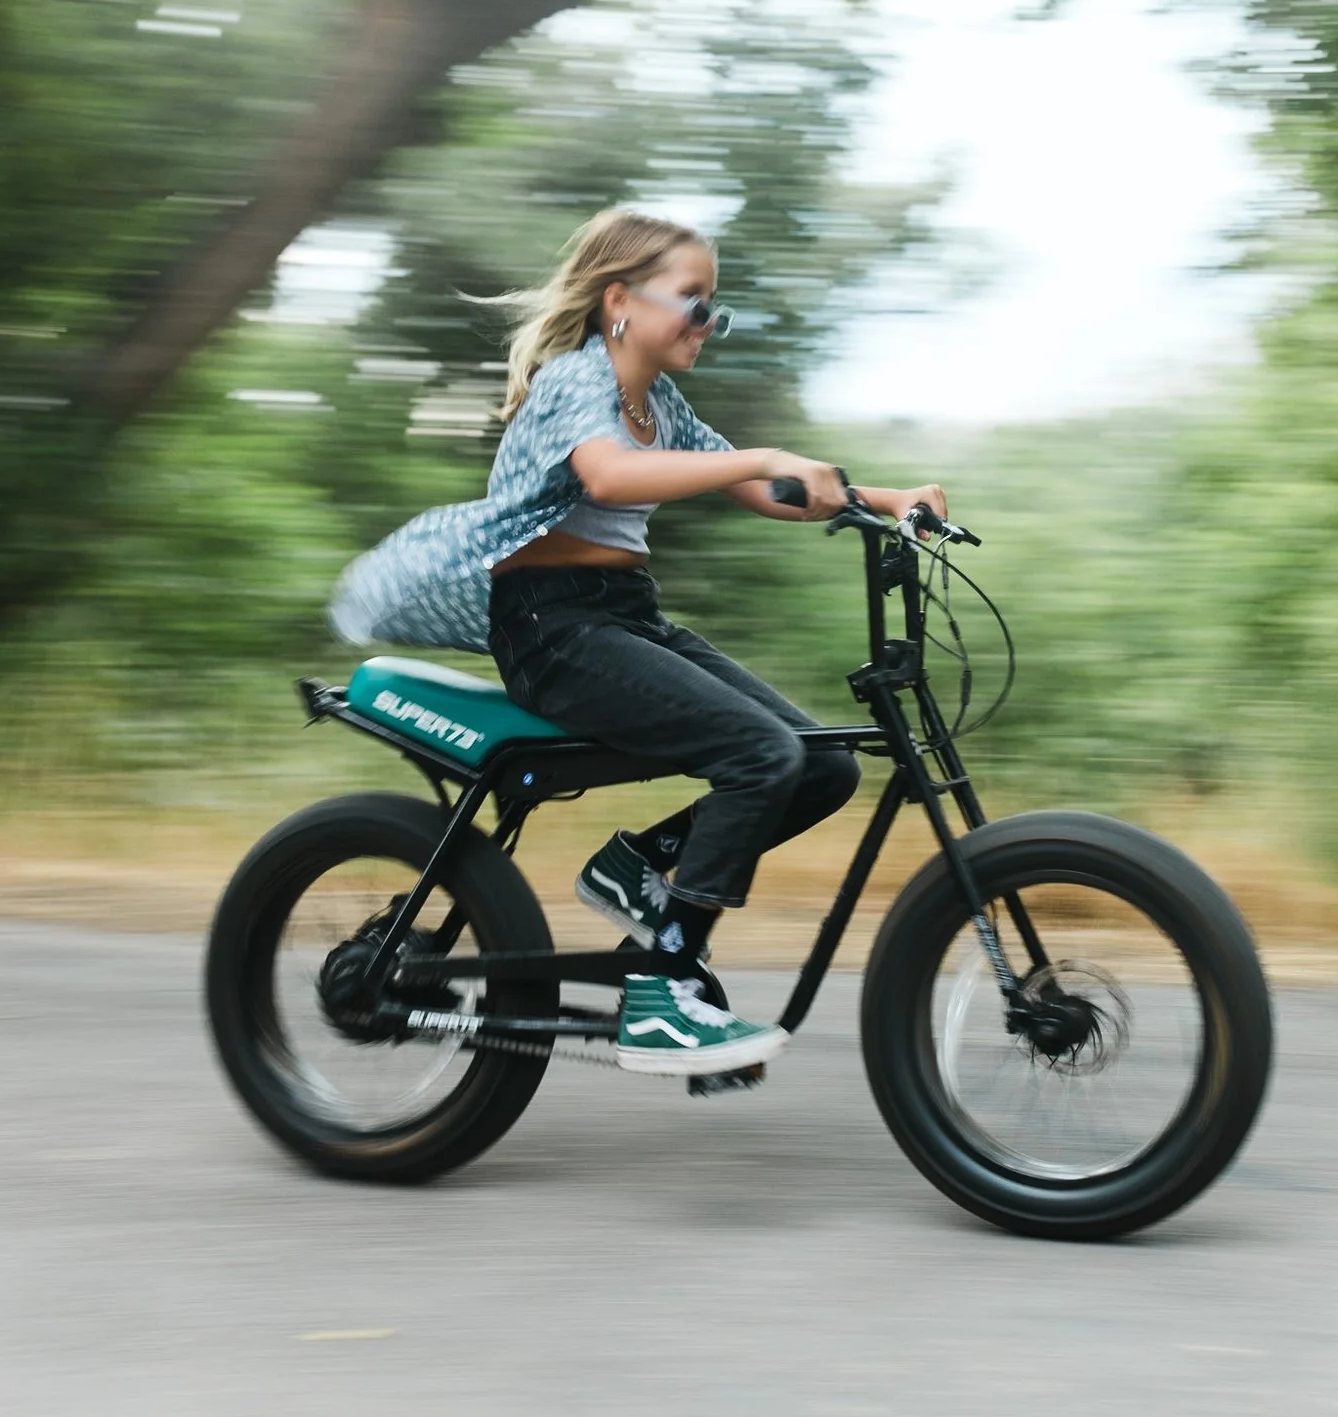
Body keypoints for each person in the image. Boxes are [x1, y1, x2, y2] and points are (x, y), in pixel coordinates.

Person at [329, 210, 946, 1077]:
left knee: (820, 763)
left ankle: (637, 868)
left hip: (624, 613)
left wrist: (885, 499)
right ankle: (662, 992)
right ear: (619, 301)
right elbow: (608, 475)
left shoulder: (658, 404)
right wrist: (755, 459)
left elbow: (767, 487)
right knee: (760, 754)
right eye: (693, 301)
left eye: (714, 307)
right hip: (552, 628)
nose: (709, 323)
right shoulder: (575, 380)